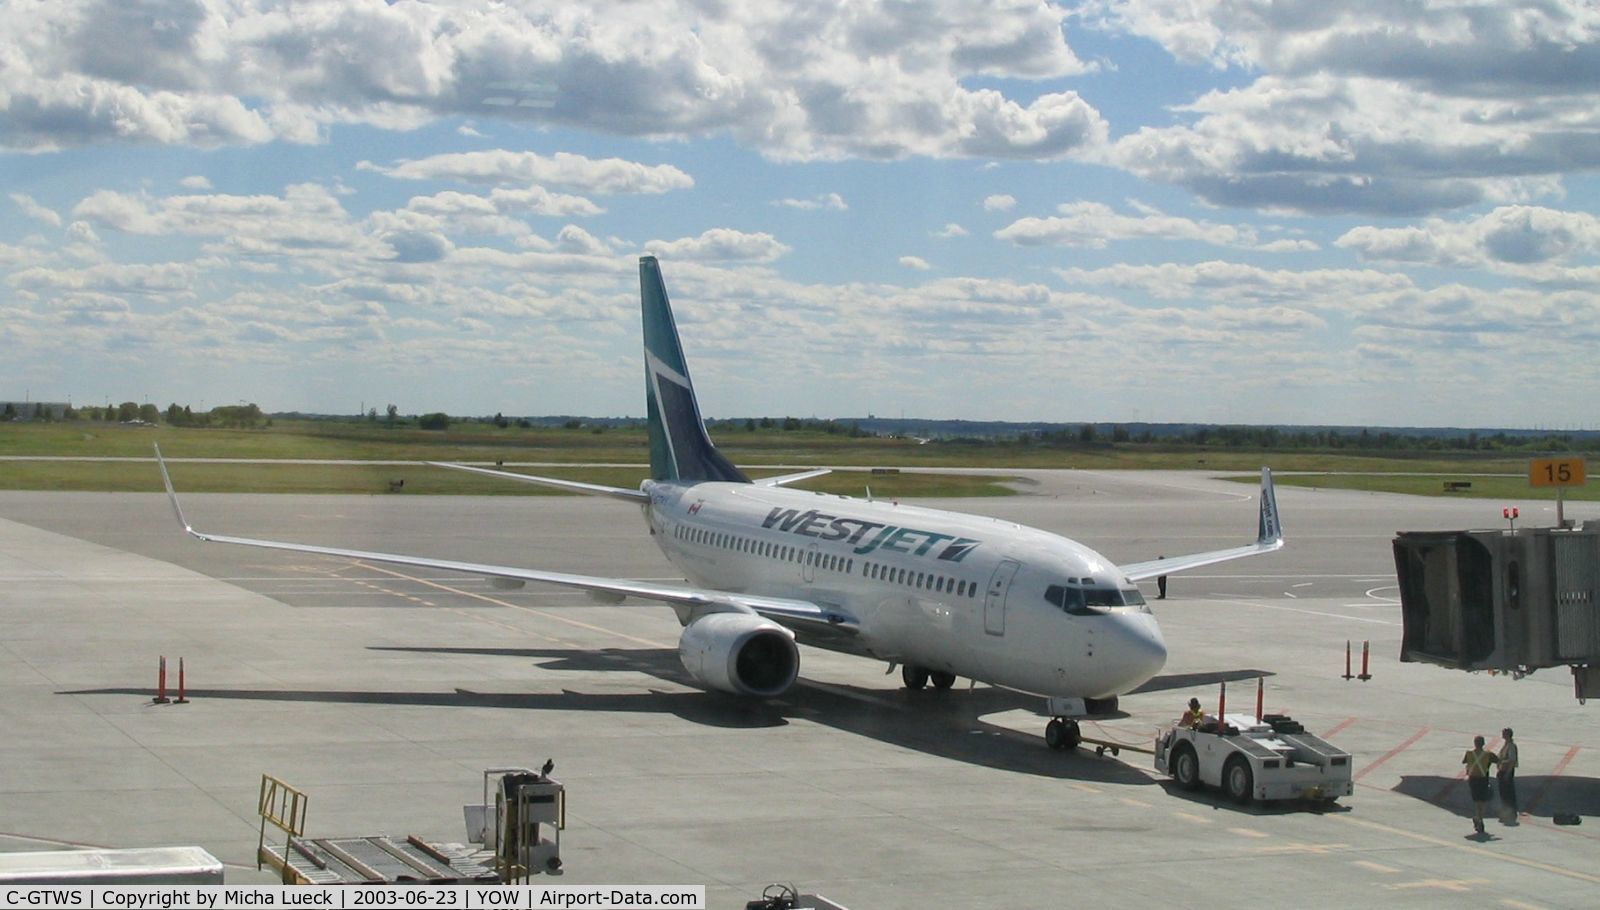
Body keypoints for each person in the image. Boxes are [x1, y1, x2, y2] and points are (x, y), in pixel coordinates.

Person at [1462, 735, 1500, 834]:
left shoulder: (1469, 754)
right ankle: (1479, 818)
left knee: (1476, 800)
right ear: (1483, 744)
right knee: (1482, 801)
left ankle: (1477, 817)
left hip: (1473, 780)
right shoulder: (1488, 755)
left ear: (1475, 743)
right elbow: (1498, 760)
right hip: (1483, 780)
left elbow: (1464, 761)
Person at [1497, 728, 1519, 824]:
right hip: (1502, 771)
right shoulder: (1506, 745)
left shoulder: (1511, 746)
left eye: (1504, 733)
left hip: (1507, 772)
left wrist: (1507, 774)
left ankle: (1510, 813)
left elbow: (1512, 761)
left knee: (1508, 794)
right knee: (1503, 794)